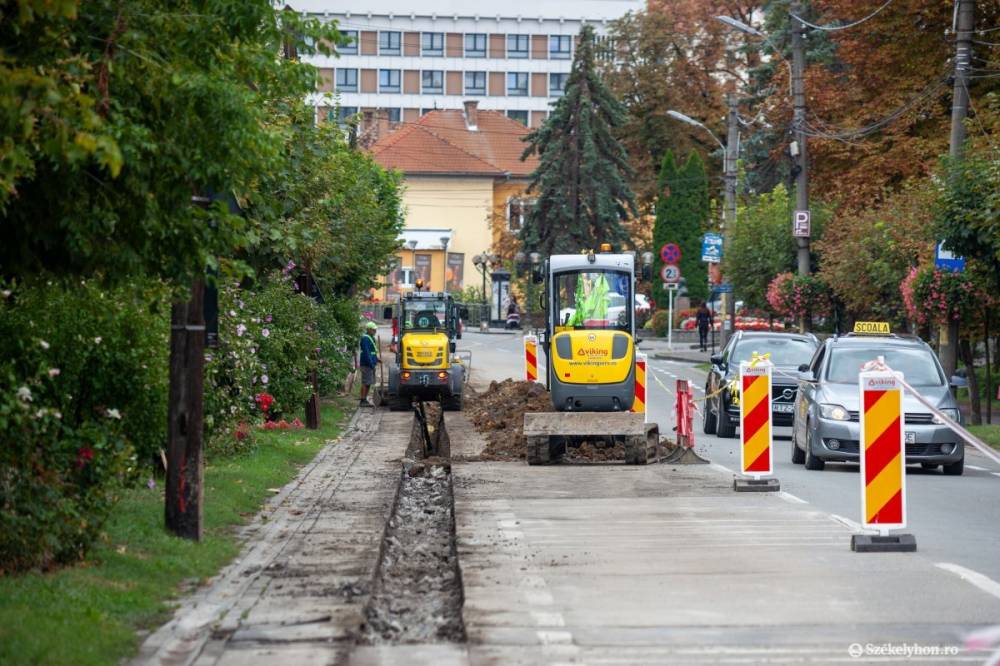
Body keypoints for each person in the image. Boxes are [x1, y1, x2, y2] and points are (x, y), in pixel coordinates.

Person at [359, 321, 381, 407]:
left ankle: (365, 399)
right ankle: (362, 400)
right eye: (373, 330)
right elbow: (367, 353)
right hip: (367, 364)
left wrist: (376, 359)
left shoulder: (370, 337)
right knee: (366, 382)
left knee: (368, 382)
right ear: (368, 329)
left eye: (375, 330)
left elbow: (372, 352)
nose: (375, 331)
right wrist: (371, 364)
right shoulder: (365, 338)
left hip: (371, 363)